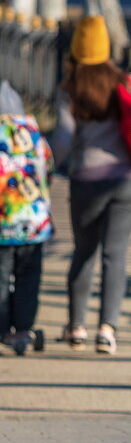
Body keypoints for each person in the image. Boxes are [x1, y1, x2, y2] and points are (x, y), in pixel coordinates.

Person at [49, 16, 131, 355]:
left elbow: (63, 138)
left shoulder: (70, 90)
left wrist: (46, 165)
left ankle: (76, 326)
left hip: (88, 181)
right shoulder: (127, 81)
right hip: (127, 182)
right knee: (115, 255)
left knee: (84, 252)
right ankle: (107, 329)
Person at [0, 81, 54, 356]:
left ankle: (2, 326)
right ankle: (23, 328)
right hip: (33, 223)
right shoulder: (33, 134)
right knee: (28, 277)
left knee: (1, 276)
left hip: (2, 223)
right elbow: (49, 169)